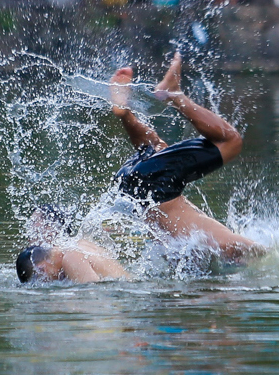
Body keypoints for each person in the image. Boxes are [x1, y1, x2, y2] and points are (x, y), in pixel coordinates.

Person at [109, 52, 264, 262]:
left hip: (144, 185)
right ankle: (127, 113)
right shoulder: (210, 247)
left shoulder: (217, 246)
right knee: (156, 149)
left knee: (231, 141)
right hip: (135, 187)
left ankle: (171, 96)